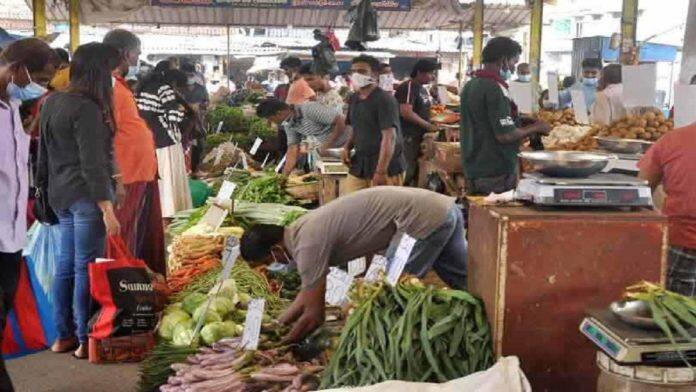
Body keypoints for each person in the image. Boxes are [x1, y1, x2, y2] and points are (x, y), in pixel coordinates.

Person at [240, 186, 467, 342]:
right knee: (466, 281)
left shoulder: (306, 247)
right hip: (443, 208)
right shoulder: (301, 230)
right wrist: (277, 324)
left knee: (392, 297)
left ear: (275, 249)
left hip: (419, 221)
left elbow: (314, 314)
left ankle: (401, 354)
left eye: (268, 261)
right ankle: (488, 332)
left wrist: (284, 342)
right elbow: (306, 293)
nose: (272, 266)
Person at [37, 42, 121, 359]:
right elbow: (92, 164)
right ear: (100, 72)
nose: (114, 78)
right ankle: (87, 339)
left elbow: (42, 153)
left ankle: (63, 337)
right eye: (111, 71)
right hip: (86, 197)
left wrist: (44, 189)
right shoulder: (87, 108)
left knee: (66, 266)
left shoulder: (53, 101)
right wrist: (107, 208)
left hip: (60, 193)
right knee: (87, 268)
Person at [0, 37, 56, 392]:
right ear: (17, 68)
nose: (42, 85)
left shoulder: (10, 108)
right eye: (38, 76)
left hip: (11, 233)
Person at [103, 29, 165, 275]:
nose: (138, 59)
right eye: (137, 54)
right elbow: (106, 134)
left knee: (136, 232)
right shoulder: (109, 86)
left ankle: (135, 278)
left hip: (137, 171)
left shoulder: (118, 85)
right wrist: (116, 179)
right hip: (126, 174)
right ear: (126, 54)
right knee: (123, 234)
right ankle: (122, 287)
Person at [459, 37, 551, 195]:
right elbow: (506, 135)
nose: (513, 68)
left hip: (474, 166)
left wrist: (521, 120)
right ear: (503, 60)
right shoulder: (495, 88)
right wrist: (536, 127)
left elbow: (487, 119)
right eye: (514, 62)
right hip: (495, 169)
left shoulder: (471, 85)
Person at [638, 122, 696, 296]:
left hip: (680, 247)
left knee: (678, 318)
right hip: (683, 244)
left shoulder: (672, 139)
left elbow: (641, 192)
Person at [137, 64, 193, 219]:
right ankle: (171, 214)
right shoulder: (164, 89)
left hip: (149, 140)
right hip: (165, 139)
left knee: (160, 181)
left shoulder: (145, 87)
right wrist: (186, 116)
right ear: (174, 82)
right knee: (169, 179)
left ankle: (159, 213)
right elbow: (173, 116)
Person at [343, 55, 405, 192]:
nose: (356, 75)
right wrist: (347, 147)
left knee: (383, 211)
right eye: (353, 71)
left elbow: (390, 137)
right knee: (352, 206)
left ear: (375, 74)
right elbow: (356, 126)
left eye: (362, 71)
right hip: (360, 164)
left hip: (386, 166)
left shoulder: (384, 100)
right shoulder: (354, 98)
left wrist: (381, 171)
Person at [256, 98, 348, 175]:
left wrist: (328, 144)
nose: (272, 123)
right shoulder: (289, 123)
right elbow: (293, 149)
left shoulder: (309, 109)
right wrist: (284, 175)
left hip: (348, 146)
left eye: (271, 119)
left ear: (279, 113)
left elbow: (341, 121)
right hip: (331, 152)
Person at [395, 59, 440, 187]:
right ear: (420, 72)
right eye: (430, 73)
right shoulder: (408, 87)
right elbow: (406, 112)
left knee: (416, 169)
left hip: (418, 136)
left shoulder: (422, 89)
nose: (433, 77)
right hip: (408, 136)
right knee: (406, 170)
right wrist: (428, 126)